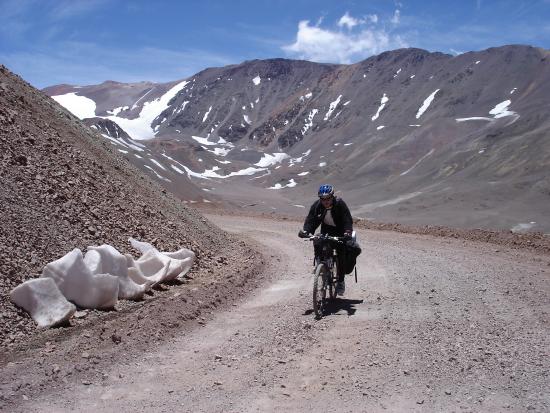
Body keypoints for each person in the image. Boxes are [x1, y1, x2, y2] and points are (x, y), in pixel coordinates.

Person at [299, 184, 359, 296]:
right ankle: (319, 264)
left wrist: (347, 232)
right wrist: (307, 231)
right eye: (322, 199)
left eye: (328, 198)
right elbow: (311, 220)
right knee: (317, 240)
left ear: (332, 196)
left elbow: (347, 219)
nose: (325, 201)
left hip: (340, 231)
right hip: (327, 230)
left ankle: (340, 281)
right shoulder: (317, 206)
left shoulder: (340, 203)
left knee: (341, 253)